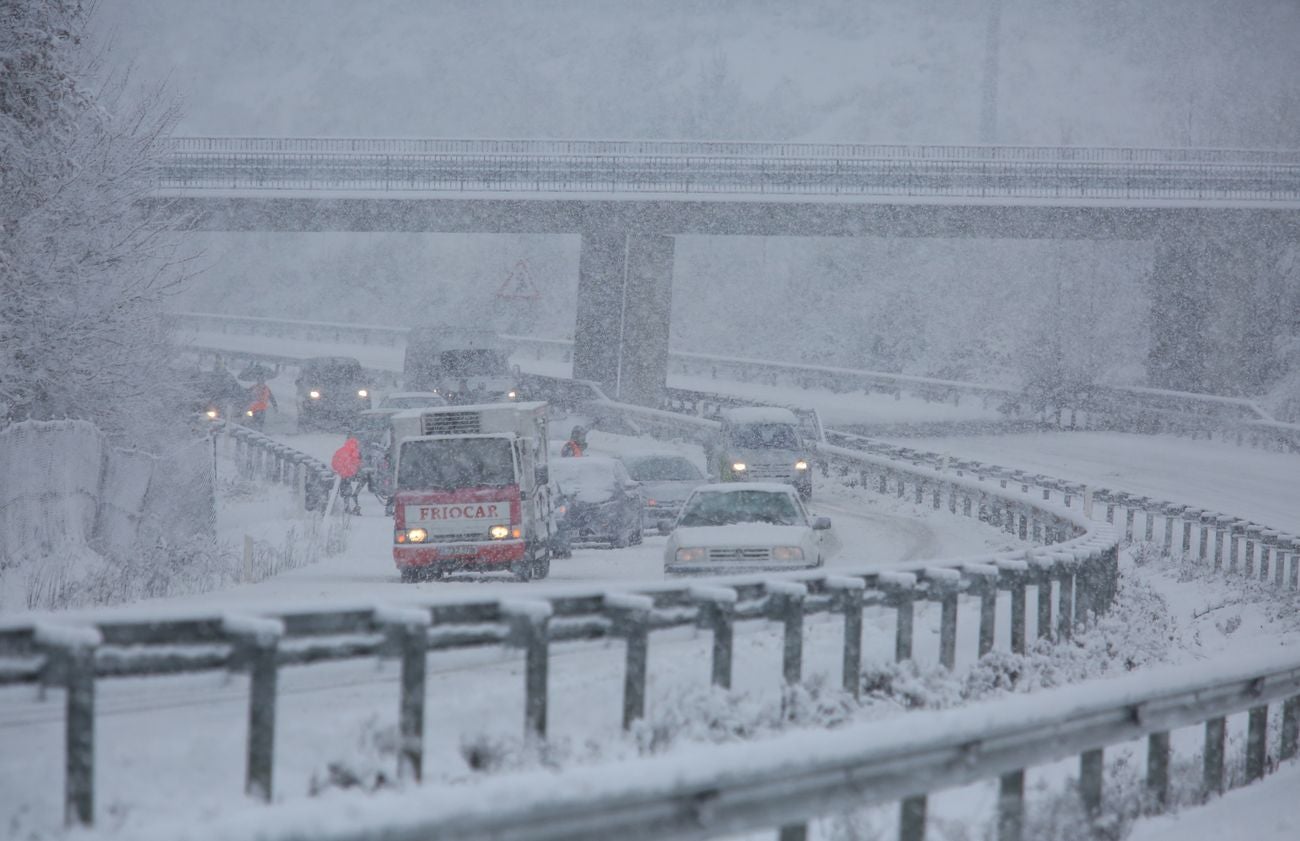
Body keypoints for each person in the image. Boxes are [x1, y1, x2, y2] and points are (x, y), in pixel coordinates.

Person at [331, 432, 364, 515]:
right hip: (351, 475)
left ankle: (346, 507)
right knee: (351, 491)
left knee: (345, 491)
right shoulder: (356, 452)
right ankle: (352, 507)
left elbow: (334, 462)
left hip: (341, 475)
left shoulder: (341, 450)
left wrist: (341, 470)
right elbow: (358, 463)